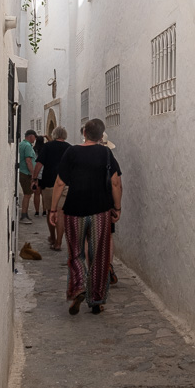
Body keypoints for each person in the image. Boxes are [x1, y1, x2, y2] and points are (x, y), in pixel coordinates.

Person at [50, 118, 122, 315]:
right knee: (99, 254)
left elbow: (59, 182)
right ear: (101, 136)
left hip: (74, 211)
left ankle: (79, 286)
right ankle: (97, 299)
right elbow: (116, 183)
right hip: (100, 211)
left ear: (84, 133)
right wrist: (117, 207)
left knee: (75, 252)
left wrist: (54, 209)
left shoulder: (71, 152)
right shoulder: (106, 153)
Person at [33, 125, 71, 250]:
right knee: (61, 213)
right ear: (65, 135)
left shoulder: (47, 147)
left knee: (51, 211)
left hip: (49, 183)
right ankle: (59, 242)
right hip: (65, 183)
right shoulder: (70, 148)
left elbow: (39, 164)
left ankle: (53, 237)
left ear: (54, 135)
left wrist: (34, 179)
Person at [100, 132, 119, 285]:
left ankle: (92, 269)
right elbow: (117, 184)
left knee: (88, 237)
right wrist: (117, 207)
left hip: (85, 204)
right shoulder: (109, 158)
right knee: (108, 236)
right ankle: (108, 266)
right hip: (105, 204)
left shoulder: (81, 154)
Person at [17, 129, 37, 224]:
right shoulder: (28, 146)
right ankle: (24, 215)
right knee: (27, 195)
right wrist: (33, 174)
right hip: (26, 173)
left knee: (27, 194)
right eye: (34, 137)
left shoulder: (22, 144)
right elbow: (28, 160)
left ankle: (25, 215)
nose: (35, 139)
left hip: (22, 172)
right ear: (31, 136)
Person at [31, 134, 46, 216]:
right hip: (44, 174)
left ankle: (37, 211)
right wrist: (47, 136)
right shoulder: (45, 149)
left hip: (36, 173)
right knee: (43, 194)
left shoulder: (34, 149)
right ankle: (44, 211)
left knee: (36, 194)